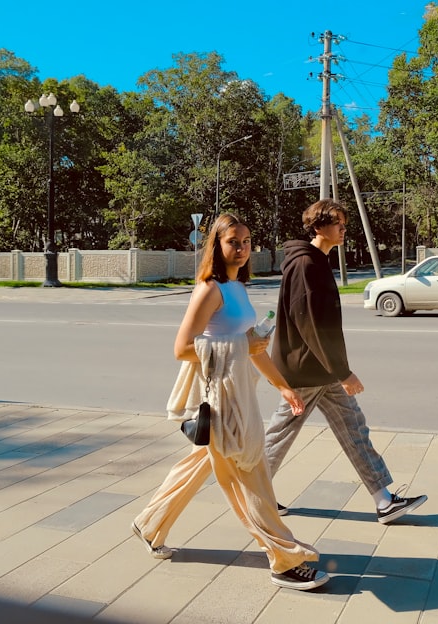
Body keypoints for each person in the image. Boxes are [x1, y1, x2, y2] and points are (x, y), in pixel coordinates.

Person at [131, 213, 328, 591]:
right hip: (222, 401)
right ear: (217, 246)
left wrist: (283, 386)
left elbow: (252, 347)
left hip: (240, 392)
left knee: (202, 464)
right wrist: (240, 345)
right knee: (250, 476)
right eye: (233, 241)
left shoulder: (239, 287)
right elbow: (182, 348)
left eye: (247, 241)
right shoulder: (210, 289)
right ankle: (284, 559)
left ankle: (149, 523)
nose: (241, 248)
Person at [264, 198, 427, 524]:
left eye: (344, 224)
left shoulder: (317, 261)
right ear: (319, 226)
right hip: (307, 370)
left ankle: (384, 501)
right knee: (280, 434)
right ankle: (252, 494)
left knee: (354, 429)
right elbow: (310, 324)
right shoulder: (306, 265)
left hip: (319, 370)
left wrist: (337, 370)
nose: (343, 229)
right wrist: (343, 371)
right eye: (338, 223)